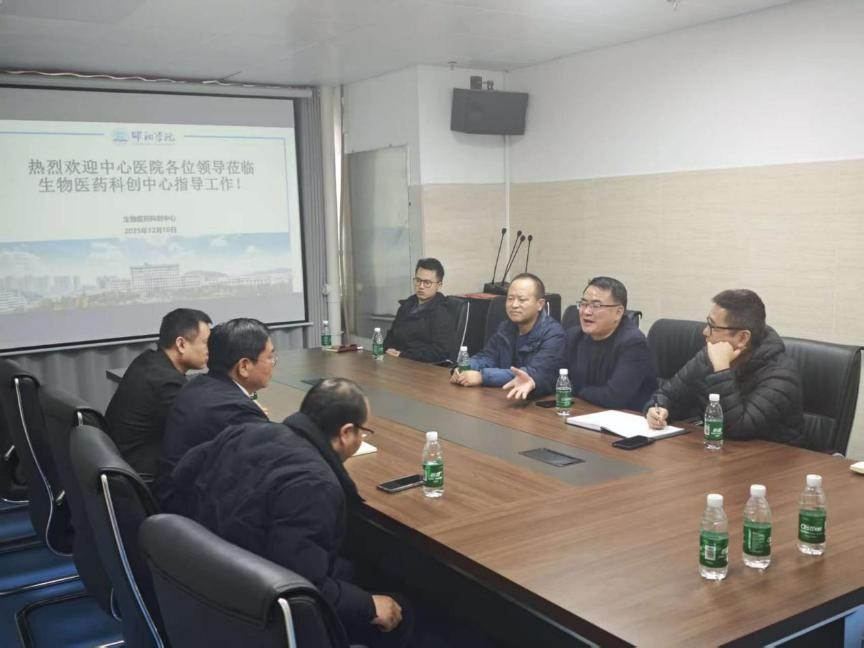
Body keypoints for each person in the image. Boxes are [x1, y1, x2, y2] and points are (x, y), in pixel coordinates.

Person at [172, 378, 412, 648]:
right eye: (362, 432)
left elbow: (181, 474)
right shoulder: (315, 485)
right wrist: (369, 605)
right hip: (260, 613)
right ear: (346, 433)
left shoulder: (244, 431)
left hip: (205, 580)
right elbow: (303, 588)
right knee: (400, 609)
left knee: (353, 569)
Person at [646, 289, 805, 446]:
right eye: (707, 323)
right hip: (720, 451)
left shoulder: (781, 375)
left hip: (773, 458)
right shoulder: (709, 355)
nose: (705, 332)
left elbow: (737, 429)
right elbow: (667, 394)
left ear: (743, 337)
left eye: (713, 327)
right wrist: (658, 409)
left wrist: (721, 369)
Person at [153, 318, 274, 511]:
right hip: (189, 509)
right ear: (244, 366)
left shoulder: (199, 384)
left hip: (173, 494)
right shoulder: (235, 410)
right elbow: (269, 465)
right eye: (270, 357)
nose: (273, 363)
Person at [105, 308, 211, 478]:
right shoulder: (166, 383)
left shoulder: (148, 360)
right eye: (205, 342)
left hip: (121, 457)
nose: (209, 349)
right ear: (181, 344)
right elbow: (201, 427)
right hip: (141, 472)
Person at [451, 273, 565, 399]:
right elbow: (487, 357)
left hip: (536, 402)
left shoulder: (554, 334)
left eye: (522, 300)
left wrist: (482, 376)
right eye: (510, 299)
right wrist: (464, 367)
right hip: (505, 398)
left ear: (540, 304)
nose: (514, 305)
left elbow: (531, 374)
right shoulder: (506, 327)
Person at [564, 277, 657, 410]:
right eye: (583, 304)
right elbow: (556, 377)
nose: (586, 312)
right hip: (584, 411)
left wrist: (576, 389)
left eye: (596, 306)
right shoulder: (574, 336)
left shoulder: (634, 344)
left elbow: (614, 397)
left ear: (618, 312)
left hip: (626, 417)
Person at [383, 257, 457, 363]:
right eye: (418, 280)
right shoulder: (406, 305)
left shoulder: (443, 311)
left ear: (439, 285)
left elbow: (440, 352)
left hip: (422, 367)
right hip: (396, 361)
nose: (421, 286)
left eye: (427, 282)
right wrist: (387, 349)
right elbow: (391, 335)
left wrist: (403, 355)